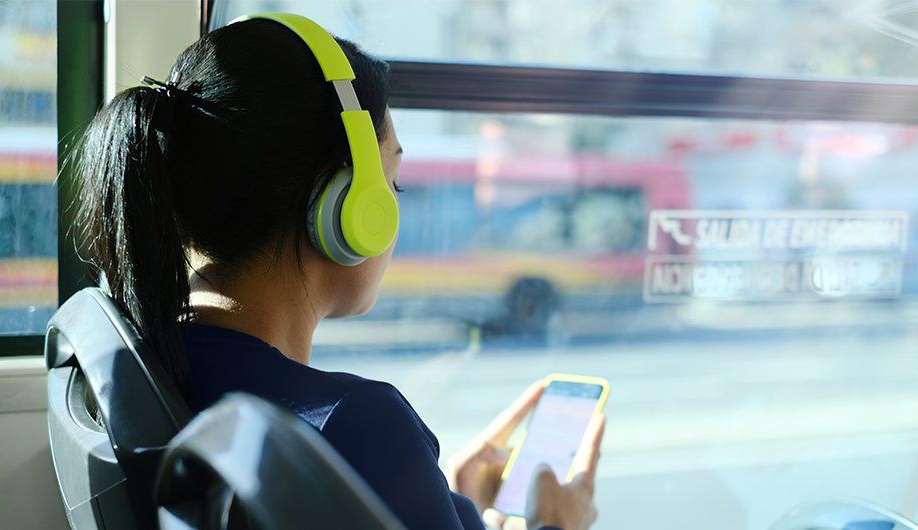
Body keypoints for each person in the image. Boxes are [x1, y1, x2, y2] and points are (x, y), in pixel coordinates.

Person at [75, 14, 604, 530]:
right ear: (345, 209)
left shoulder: (137, 367)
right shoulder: (358, 425)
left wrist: (448, 503)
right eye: (391, 185)